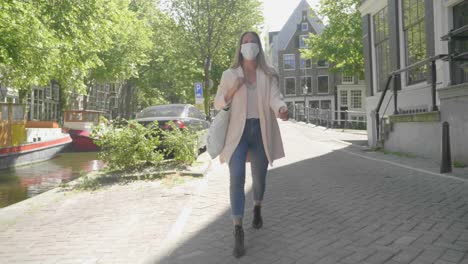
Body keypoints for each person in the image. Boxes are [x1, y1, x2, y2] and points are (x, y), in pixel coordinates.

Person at [214, 31, 289, 258]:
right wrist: (234, 88)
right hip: (237, 133)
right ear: (240, 47)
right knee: (236, 177)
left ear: (258, 46)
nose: (249, 45)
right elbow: (218, 103)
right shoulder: (229, 75)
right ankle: (238, 228)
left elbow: (275, 97)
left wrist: (281, 109)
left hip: (260, 131)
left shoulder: (268, 74)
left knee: (259, 177)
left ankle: (257, 207)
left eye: (253, 42)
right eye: (245, 42)